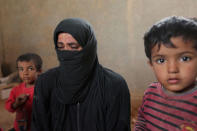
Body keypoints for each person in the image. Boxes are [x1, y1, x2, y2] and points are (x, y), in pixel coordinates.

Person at [31, 18, 131, 131]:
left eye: (73, 47)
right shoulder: (45, 83)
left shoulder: (113, 85)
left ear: (89, 48)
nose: (66, 53)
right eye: (61, 47)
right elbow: (39, 126)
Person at [134, 16, 197, 131]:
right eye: (161, 60)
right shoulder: (151, 93)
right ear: (152, 65)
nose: (172, 69)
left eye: (185, 58)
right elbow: (142, 121)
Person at [5, 53, 43, 131]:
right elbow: (9, 108)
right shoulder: (16, 90)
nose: (25, 73)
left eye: (30, 69)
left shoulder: (42, 89)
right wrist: (16, 104)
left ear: (39, 71)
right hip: (19, 128)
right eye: (21, 69)